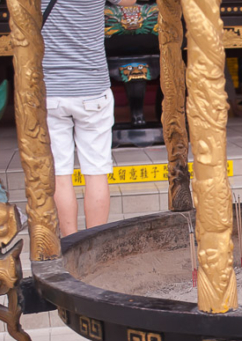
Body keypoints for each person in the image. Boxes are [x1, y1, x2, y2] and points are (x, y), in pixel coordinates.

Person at [42, 0, 136, 236]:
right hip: (93, 88)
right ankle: (94, 246)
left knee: (59, 174)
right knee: (96, 172)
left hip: (51, 90)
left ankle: (70, 245)